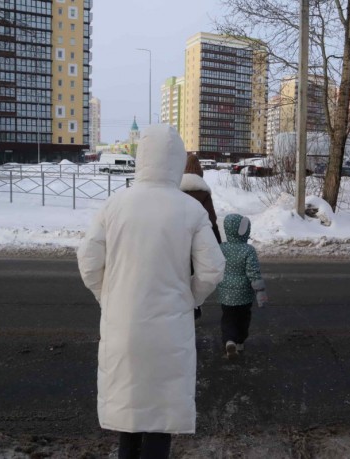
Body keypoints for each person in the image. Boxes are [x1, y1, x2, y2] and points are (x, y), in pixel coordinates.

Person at [77, 124, 226, 459]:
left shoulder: (114, 206)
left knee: (130, 414)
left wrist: (109, 295)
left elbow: (88, 261)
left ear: (141, 159)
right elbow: (213, 267)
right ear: (175, 162)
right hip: (170, 329)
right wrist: (191, 298)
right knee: (160, 416)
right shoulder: (190, 209)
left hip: (123, 326)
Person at [216, 213, 268, 359]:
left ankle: (229, 341)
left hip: (225, 293)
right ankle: (239, 341)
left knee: (228, 318)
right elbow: (253, 272)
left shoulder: (221, 248)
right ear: (244, 230)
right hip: (244, 294)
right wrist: (260, 290)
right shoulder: (248, 250)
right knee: (243, 318)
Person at [180, 154, 222, 320]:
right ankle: (193, 306)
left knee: (179, 275)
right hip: (198, 242)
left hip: (178, 241)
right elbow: (211, 220)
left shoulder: (175, 191)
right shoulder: (203, 193)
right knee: (196, 274)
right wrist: (217, 241)